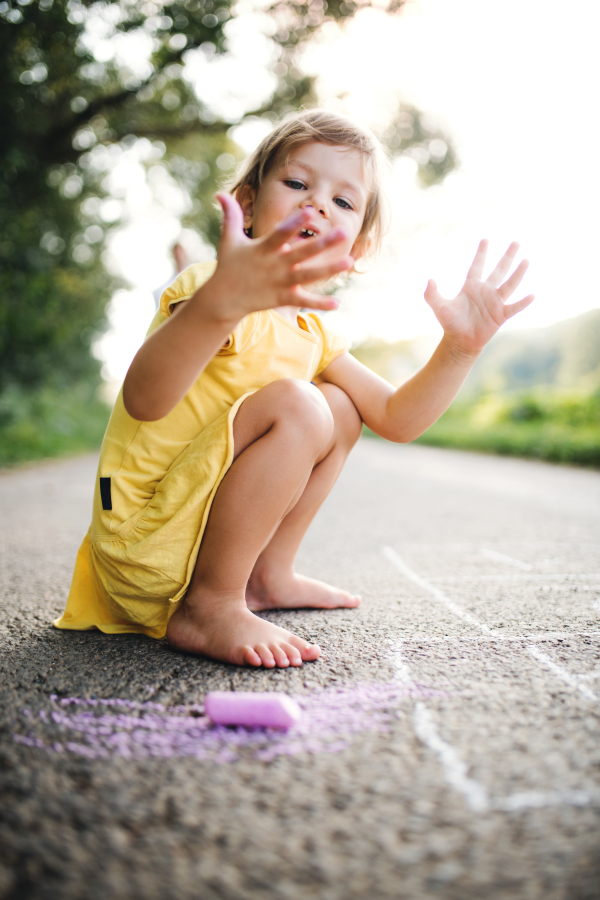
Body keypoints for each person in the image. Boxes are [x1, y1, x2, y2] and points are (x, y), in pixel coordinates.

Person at [54, 110, 534, 669]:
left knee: (341, 408)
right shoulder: (212, 289)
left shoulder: (316, 332)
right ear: (249, 205)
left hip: (197, 537)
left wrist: (459, 349)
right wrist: (220, 305)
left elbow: (398, 420)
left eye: (344, 202)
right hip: (146, 545)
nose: (318, 205)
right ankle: (211, 604)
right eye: (298, 184)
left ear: (354, 250)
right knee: (301, 403)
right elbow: (144, 399)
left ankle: (265, 575)